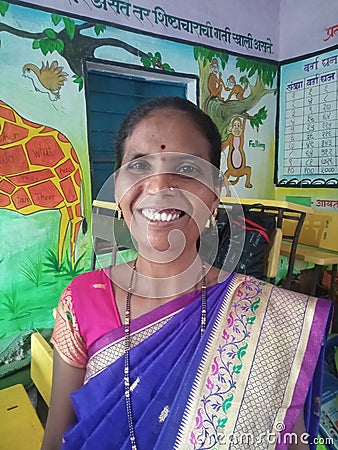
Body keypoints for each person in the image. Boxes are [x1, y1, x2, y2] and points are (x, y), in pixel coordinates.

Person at [41, 97, 331, 450]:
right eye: (139, 165)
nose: (161, 186)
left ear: (214, 195)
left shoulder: (273, 321)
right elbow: (56, 437)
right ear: (117, 187)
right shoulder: (83, 298)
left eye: (189, 170)